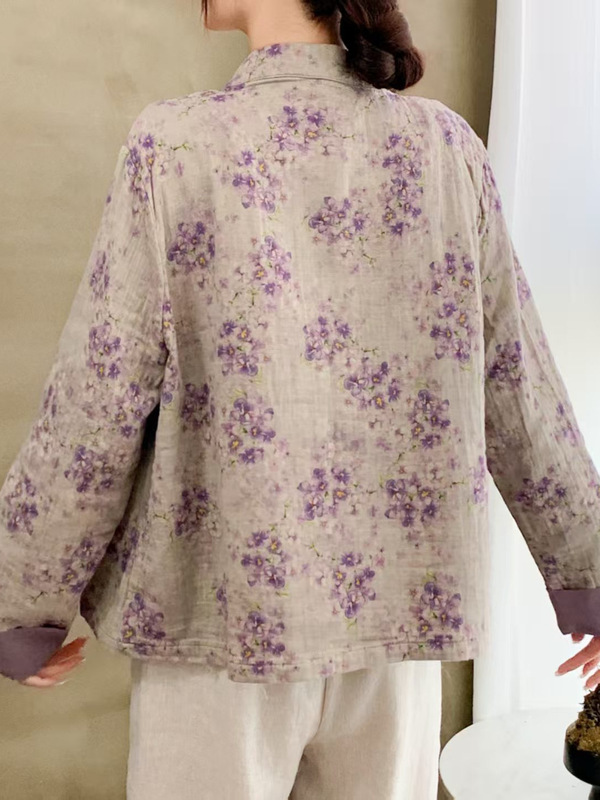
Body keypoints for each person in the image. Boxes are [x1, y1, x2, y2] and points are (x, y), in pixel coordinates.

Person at [1, 0, 600, 797]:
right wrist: (591, 573)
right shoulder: (445, 148)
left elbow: (97, 396)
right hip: (393, 635)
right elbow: (519, 386)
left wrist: (20, 605)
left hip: (219, 633)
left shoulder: (176, 146)